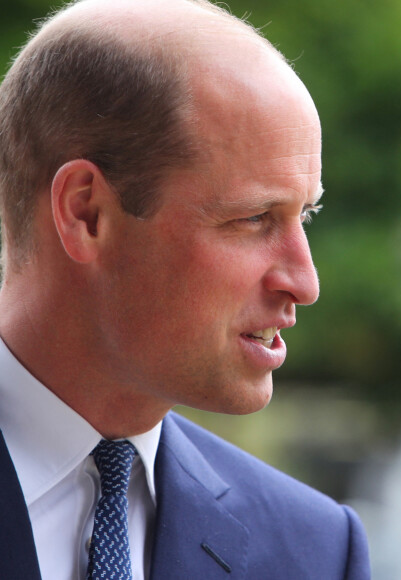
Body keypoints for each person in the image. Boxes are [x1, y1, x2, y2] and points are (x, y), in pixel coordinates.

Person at [0, 0, 371, 578]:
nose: (304, 282)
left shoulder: (315, 551)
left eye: (307, 216)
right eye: (253, 218)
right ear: (87, 212)